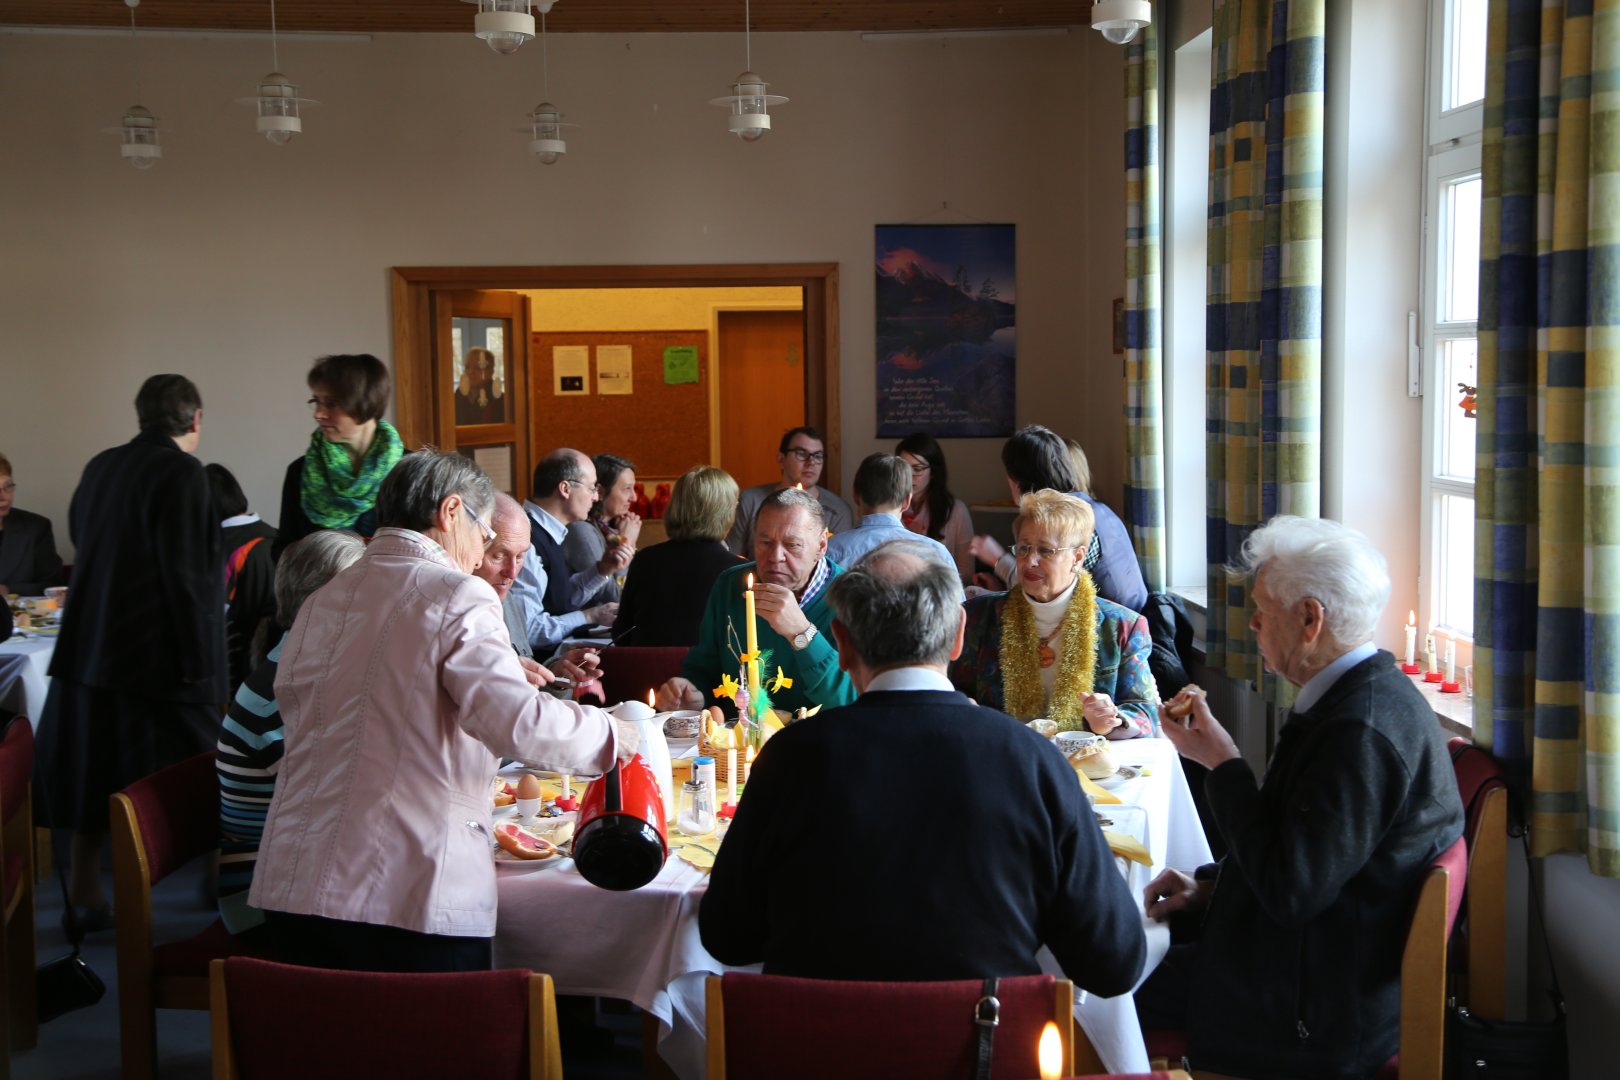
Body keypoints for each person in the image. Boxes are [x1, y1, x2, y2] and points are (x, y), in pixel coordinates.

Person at [250, 449, 636, 972]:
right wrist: (612, 734)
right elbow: (518, 724)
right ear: (451, 512)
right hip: (401, 887)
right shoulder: (457, 593)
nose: (481, 556)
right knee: (440, 1050)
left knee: (327, 1047)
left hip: (293, 880)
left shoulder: (326, 596)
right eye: (482, 535)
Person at [700, 541, 1146, 989]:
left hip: (817, 1050)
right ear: (958, 637)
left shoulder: (789, 759)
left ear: (841, 643)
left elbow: (727, 937)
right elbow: (1113, 961)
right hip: (983, 1045)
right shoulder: (1032, 760)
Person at [1136, 515, 1465, 1080]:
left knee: (1098, 989)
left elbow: (1293, 891)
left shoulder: (1359, 731)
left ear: (1310, 618)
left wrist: (1223, 763)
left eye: (1264, 609)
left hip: (1313, 1010)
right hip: (1308, 967)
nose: (1255, 624)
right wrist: (1212, 889)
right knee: (1120, 952)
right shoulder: (1357, 697)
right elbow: (1302, 851)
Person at [39, 375, 226, 929]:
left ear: (141, 416)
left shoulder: (102, 466)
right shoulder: (184, 473)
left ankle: (85, 891)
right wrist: (204, 669)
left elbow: (79, 534)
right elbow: (191, 576)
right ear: (195, 420)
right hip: (159, 655)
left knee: (89, 770)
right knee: (206, 767)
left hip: (90, 645)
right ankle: (220, 875)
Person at [216, 530, 365, 942]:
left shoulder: (315, 672)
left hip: (312, 873)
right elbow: (346, 806)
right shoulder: (281, 695)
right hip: (269, 899)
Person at [950, 490, 1156, 737]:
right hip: (1004, 757)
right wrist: (963, 707)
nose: (1030, 561)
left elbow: (1145, 711)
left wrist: (1113, 720)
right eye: (1024, 548)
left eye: (1045, 551)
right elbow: (951, 691)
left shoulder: (1121, 627)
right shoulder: (976, 618)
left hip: (1084, 766)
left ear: (1077, 557)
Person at [657, 487, 856, 715]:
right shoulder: (730, 585)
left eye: (792, 545)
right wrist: (692, 692)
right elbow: (703, 670)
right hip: (740, 743)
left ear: (821, 545)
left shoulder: (852, 597)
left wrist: (802, 633)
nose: (775, 557)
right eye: (765, 542)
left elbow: (852, 698)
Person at [970, 424, 1150, 614]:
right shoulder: (1095, 508)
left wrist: (998, 560)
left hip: (1107, 633)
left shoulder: (1064, 524)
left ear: (1017, 481)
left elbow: (1046, 595)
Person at [272, 353, 403, 561]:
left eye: (331, 403)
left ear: (365, 403)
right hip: (323, 592)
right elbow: (283, 550)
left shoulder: (410, 471)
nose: (318, 414)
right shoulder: (299, 471)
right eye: (316, 402)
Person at [510, 449, 629, 653]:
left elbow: (559, 597)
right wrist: (589, 616)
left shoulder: (547, 531)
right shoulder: (525, 539)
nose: (595, 497)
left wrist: (602, 570)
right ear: (565, 488)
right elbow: (528, 631)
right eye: (591, 488)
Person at [612, 466, 741, 647]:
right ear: (726, 512)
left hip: (647, 672)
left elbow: (621, 633)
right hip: (711, 675)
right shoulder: (739, 571)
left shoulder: (645, 560)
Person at [826, 453, 962, 601]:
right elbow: (956, 613)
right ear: (906, 501)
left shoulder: (829, 551)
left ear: (855, 495)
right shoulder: (937, 553)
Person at [726, 426, 855, 554]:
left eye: (818, 456)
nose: (811, 462)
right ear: (781, 459)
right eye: (801, 454)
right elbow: (733, 556)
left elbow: (838, 563)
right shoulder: (751, 500)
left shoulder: (838, 510)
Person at [207, 463, 278, 690]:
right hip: (278, 667)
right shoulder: (277, 537)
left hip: (233, 675)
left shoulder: (220, 548)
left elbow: (215, 616)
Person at [895, 432, 975, 587]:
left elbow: (966, 572)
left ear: (933, 472)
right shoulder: (890, 507)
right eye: (904, 468)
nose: (909, 477)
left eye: (917, 469)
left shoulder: (955, 510)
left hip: (942, 593)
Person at [563, 453, 642, 606]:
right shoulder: (581, 530)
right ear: (600, 491)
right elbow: (614, 596)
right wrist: (626, 541)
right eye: (627, 489)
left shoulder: (611, 528)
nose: (634, 498)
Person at [0, 452, 64, 595]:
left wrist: (8, 590)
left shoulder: (36, 527)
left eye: (8, 487)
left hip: (17, 615)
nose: (3, 497)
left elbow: (53, 585)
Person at [454, 347, 505, 426]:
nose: (471, 372)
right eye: (467, 367)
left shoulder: (501, 402)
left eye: (477, 367)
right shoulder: (454, 401)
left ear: (490, 371)